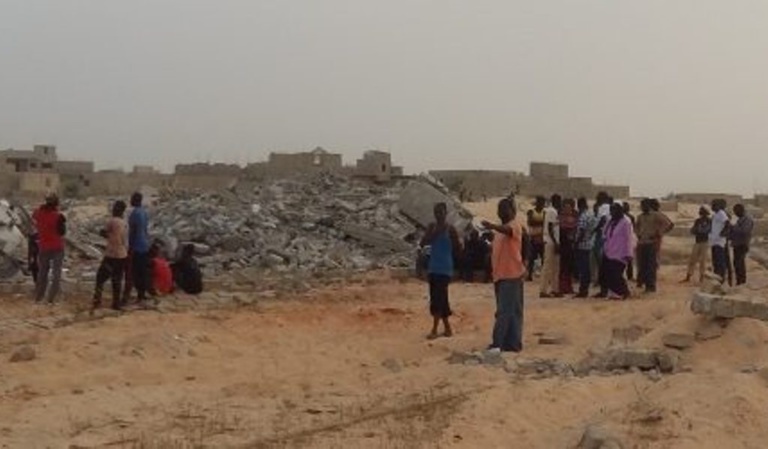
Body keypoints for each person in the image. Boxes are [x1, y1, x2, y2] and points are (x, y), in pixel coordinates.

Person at [482, 198, 526, 352]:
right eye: (500, 209)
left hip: (511, 275)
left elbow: (508, 231)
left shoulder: (514, 225)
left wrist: (492, 226)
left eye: (504, 209)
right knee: (511, 311)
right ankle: (512, 343)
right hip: (501, 275)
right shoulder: (499, 231)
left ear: (512, 211)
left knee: (504, 311)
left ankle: (498, 343)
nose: (501, 212)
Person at [420, 203, 462, 340]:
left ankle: (434, 329)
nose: (439, 215)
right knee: (439, 298)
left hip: (445, 269)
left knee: (438, 298)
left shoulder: (451, 229)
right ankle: (447, 328)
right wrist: (434, 234)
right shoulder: (432, 227)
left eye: (441, 212)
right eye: (437, 212)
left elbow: (458, 248)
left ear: (446, 213)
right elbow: (423, 243)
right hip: (433, 268)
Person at [93, 201, 129, 310]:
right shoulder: (124, 223)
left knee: (100, 277)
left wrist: (104, 233)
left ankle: (97, 300)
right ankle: (116, 303)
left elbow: (103, 232)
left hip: (111, 255)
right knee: (117, 280)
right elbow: (125, 239)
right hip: (122, 255)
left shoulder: (112, 221)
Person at [32, 193, 66, 304]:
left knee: (42, 273)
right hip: (57, 247)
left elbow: (34, 216)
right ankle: (51, 299)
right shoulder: (58, 216)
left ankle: (39, 297)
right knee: (56, 274)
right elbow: (62, 232)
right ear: (56, 203)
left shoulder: (38, 213)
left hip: (43, 247)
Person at [634, 198, 673, 294]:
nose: (643, 207)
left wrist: (659, 233)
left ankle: (651, 286)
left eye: (645, 205)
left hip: (652, 243)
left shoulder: (656, 215)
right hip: (642, 243)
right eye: (642, 206)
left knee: (651, 265)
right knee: (642, 265)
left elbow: (670, 225)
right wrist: (638, 234)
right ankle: (643, 283)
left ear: (649, 206)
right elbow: (636, 227)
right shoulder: (640, 217)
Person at [599, 203, 634, 299]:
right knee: (606, 273)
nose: (612, 212)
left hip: (620, 252)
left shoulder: (626, 222)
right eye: (611, 210)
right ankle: (610, 292)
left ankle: (624, 292)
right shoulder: (610, 221)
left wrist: (628, 253)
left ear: (620, 211)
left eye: (614, 210)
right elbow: (604, 234)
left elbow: (629, 238)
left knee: (616, 274)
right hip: (608, 251)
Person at [128, 192, 152, 304]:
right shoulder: (144, 212)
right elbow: (145, 230)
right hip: (145, 245)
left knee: (136, 272)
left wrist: (130, 247)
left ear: (135, 200)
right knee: (143, 271)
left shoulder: (134, 214)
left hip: (137, 246)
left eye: (132, 199)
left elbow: (133, 231)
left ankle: (139, 295)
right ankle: (142, 293)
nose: (130, 200)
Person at [540, 194, 562, 298]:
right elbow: (549, 228)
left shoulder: (554, 212)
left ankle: (555, 289)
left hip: (554, 241)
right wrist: (555, 242)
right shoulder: (551, 211)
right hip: (550, 242)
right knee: (548, 267)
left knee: (555, 267)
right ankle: (543, 290)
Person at [682, 206, 711, 284]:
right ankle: (688, 276)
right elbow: (693, 230)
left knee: (703, 261)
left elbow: (706, 230)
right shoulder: (698, 221)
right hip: (698, 241)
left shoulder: (709, 221)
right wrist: (698, 230)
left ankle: (701, 278)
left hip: (705, 242)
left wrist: (698, 230)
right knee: (692, 260)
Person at [575, 197, 597, 298]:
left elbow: (582, 231)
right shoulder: (591, 215)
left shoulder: (583, 216)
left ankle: (583, 290)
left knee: (583, 269)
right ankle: (585, 289)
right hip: (590, 243)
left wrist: (576, 243)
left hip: (582, 245)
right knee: (587, 269)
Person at [558, 198, 578, 295]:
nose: (568, 209)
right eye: (566, 207)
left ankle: (568, 287)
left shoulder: (574, 218)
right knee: (563, 267)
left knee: (569, 267)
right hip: (564, 245)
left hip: (571, 245)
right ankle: (562, 287)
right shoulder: (560, 218)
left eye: (569, 207)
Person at [730, 204, 754, 285]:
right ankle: (739, 280)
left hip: (742, 244)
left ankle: (742, 281)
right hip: (737, 243)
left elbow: (745, 231)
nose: (735, 213)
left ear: (740, 210)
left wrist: (733, 227)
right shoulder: (740, 219)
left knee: (740, 263)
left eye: (736, 212)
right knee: (736, 263)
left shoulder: (747, 219)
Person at [526, 196, 546, 281]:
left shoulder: (544, 212)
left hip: (542, 238)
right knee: (531, 258)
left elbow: (534, 222)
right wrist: (541, 222)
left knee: (543, 258)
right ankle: (529, 275)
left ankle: (544, 275)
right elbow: (530, 222)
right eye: (540, 202)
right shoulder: (531, 212)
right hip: (533, 237)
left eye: (542, 203)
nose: (541, 204)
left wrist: (536, 222)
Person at [709, 199, 730, 283]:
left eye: (714, 205)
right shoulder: (715, 215)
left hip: (719, 242)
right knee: (715, 262)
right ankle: (717, 278)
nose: (712, 206)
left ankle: (721, 278)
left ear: (718, 206)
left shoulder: (721, 213)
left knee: (720, 261)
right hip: (714, 241)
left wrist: (722, 233)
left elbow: (727, 223)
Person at [622, 202, 636, 281]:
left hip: (627, 239)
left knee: (628, 259)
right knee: (628, 258)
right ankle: (629, 276)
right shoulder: (630, 217)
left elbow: (633, 228)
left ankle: (629, 276)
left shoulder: (630, 217)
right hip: (626, 239)